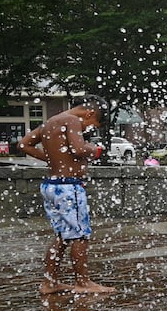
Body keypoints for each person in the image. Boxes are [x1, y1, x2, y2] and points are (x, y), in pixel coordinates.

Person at [17, 96, 117, 295]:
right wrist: (95, 150)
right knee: (81, 235)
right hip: (68, 188)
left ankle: (50, 282)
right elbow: (79, 149)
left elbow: (23, 144)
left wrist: (53, 158)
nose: (88, 129)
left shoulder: (51, 122)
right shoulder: (72, 120)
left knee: (62, 236)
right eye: (92, 124)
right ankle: (83, 282)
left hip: (51, 186)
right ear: (89, 113)